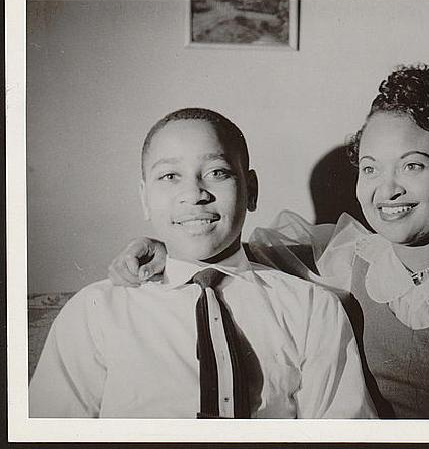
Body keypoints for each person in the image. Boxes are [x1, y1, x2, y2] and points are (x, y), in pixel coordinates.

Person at [109, 66, 429, 419]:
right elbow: (233, 254)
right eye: (370, 168)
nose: (387, 189)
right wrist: (161, 246)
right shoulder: (350, 256)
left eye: (413, 166)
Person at [29, 108, 376, 419]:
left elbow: (342, 429)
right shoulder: (95, 312)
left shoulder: (312, 308)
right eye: (170, 177)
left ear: (251, 190)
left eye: (217, 173)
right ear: (144, 197)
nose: (195, 194)